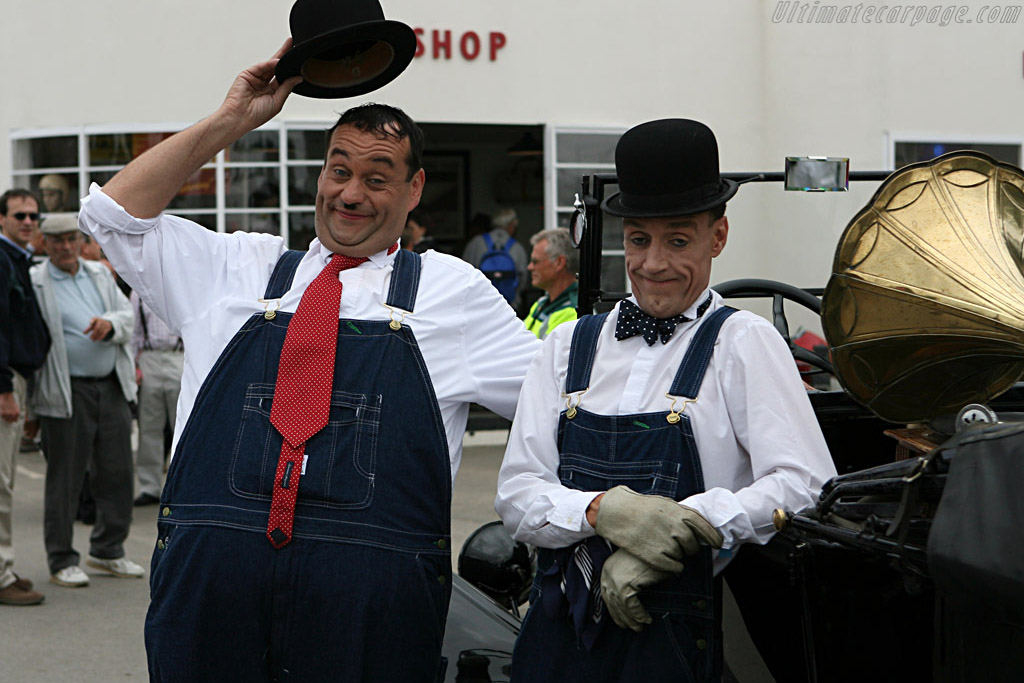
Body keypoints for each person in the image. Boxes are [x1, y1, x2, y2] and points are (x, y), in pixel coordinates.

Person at [79, 40, 540, 681]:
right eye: (337, 170)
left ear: (414, 190)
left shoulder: (452, 293)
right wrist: (231, 120)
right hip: (212, 601)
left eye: (377, 178)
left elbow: (564, 403)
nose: (350, 194)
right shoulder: (237, 269)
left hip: (369, 617)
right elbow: (112, 216)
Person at [495, 119, 837, 681]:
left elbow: (805, 486)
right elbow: (516, 495)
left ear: (718, 237)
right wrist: (601, 511)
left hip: (672, 647)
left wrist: (688, 524)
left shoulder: (744, 344)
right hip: (556, 644)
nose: (653, 264)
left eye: (678, 240)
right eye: (638, 239)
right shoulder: (565, 346)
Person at [29, 213, 143, 588]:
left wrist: (110, 324)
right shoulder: (36, 282)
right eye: (56, 240)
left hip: (110, 384)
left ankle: (107, 550)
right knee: (66, 479)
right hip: (66, 389)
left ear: (81, 242)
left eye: (71, 239)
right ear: (44, 244)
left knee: (119, 472)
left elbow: (126, 314)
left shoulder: (99, 274)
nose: (65, 246)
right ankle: (61, 558)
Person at [0, 190, 51, 606]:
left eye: (35, 215)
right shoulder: (2, 260)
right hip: (3, 383)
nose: (29, 221)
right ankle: (0, 575)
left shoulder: (17, 259)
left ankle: (3, 567)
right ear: (2, 219)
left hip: (15, 380)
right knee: (0, 484)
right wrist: (4, 390)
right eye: (20, 215)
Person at [129, 291, 183, 506]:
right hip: (150, 358)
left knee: (181, 426)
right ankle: (149, 486)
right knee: (149, 426)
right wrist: (133, 365)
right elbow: (134, 333)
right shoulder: (139, 292)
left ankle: (179, 485)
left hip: (180, 356)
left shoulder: (184, 285)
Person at [462, 207, 529, 310]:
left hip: (479, 305)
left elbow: (463, 273)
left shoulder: (475, 243)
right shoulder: (517, 248)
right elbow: (523, 280)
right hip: (509, 306)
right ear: (511, 225)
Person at [523, 228, 579, 339]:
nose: (529, 267)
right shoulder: (541, 303)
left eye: (535, 261)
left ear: (559, 263)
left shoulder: (574, 312)